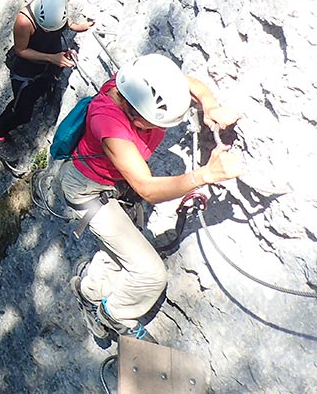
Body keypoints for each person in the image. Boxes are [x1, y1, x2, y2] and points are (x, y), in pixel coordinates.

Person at [60, 53, 243, 342]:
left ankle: (89, 292)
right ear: (136, 116)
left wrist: (209, 105)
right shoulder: (108, 124)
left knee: (122, 247)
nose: (160, 131)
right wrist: (205, 175)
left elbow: (188, 85)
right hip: (87, 190)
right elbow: (147, 187)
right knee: (150, 273)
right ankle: (114, 314)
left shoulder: (140, 84)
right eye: (156, 124)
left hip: (111, 183)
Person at [0, 0, 93, 144]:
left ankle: (1, 121)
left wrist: (76, 26)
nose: (47, 31)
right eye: (45, 28)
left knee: (34, 96)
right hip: (25, 71)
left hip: (47, 64)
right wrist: (52, 58)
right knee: (23, 114)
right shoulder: (24, 21)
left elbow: (63, 17)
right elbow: (21, 50)